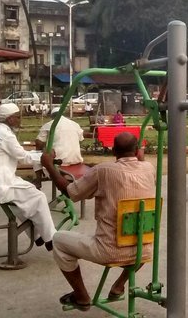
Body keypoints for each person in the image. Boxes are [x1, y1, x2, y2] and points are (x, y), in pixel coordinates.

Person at [40, 132, 155, 311]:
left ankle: (81, 296)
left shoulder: (103, 171)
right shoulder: (149, 168)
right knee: (136, 235)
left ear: (113, 150)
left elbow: (71, 192)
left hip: (109, 251)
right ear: (136, 150)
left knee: (58, 240)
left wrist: (49, 165)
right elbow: (133, 167)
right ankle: (118, 285)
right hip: (144, 251)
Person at [0, 103, 56, 251]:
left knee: (22, 204)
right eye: (17, 117)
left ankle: (36, 236)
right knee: (39, 197)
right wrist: (46, 158)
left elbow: (20, 154)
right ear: (9, 119)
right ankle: (51, 238)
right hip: (2, 183)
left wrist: (41, 156)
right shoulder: (6, 135)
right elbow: (24, 158)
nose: (20, 120)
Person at [32, 107, 84, 189]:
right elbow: (81, 139)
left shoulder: (50, 124)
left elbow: (38, 142)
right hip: (76, 160)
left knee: (34, 155)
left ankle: (38, 180)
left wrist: (42, 149)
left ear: (52, 116)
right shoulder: (75, 124)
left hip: (58, 162)